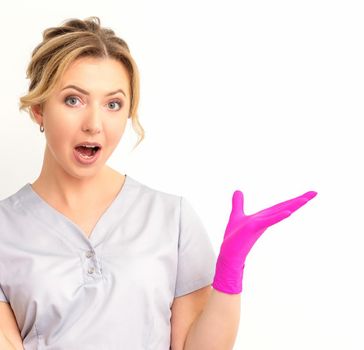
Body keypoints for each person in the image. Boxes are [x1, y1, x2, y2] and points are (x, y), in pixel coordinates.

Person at [0, 17, 317, 350]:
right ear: (38, 108)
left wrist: (229, 274)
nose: (94, 124)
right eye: (73, 100)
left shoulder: (171, 218)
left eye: (113, 104)